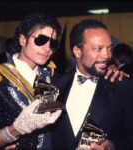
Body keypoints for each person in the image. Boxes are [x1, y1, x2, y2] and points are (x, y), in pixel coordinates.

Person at [0, 12, 62, 150]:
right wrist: (15, 130)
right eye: (41, 40)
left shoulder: (51, 76)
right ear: (23, 40)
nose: (47, 48)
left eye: (53, 43)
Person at [51, 19, 133, 150]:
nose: (107, 55)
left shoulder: (123, 86)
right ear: (77, 51)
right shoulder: (54, 84)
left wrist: (113, 146)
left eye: (109, 48)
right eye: (98, 49)